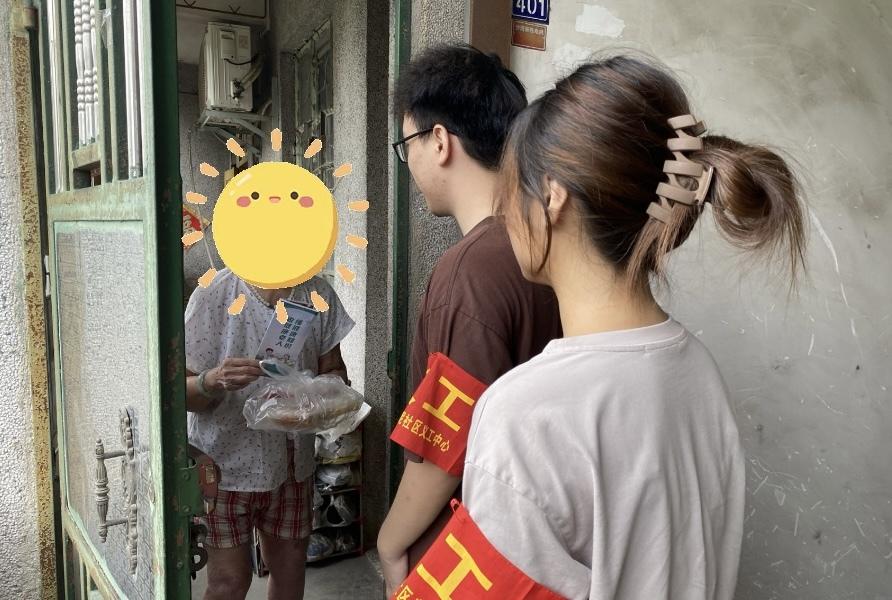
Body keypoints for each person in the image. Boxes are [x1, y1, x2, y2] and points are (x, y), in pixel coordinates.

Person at [449, 55, 806, 599]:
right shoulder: (698, 372)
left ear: (552, 197)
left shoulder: (523, 415)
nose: (507, 217)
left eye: (512, 194)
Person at [376, 43, 562, 595]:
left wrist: (390, 541)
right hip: (544, 544)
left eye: (406, 145)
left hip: (474, 554)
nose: (409, 164)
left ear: (439, 141)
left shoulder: (470, 271)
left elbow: (444, 449)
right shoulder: (550, 246)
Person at [185, 269, 354, 600]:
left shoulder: (317, 293)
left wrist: (315, 399)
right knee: (229, 583)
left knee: (289, 572)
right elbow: (182, 394)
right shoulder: (212, 293)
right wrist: (212, 380)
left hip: (293, 466)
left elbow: (335, 372)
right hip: (224, 467)